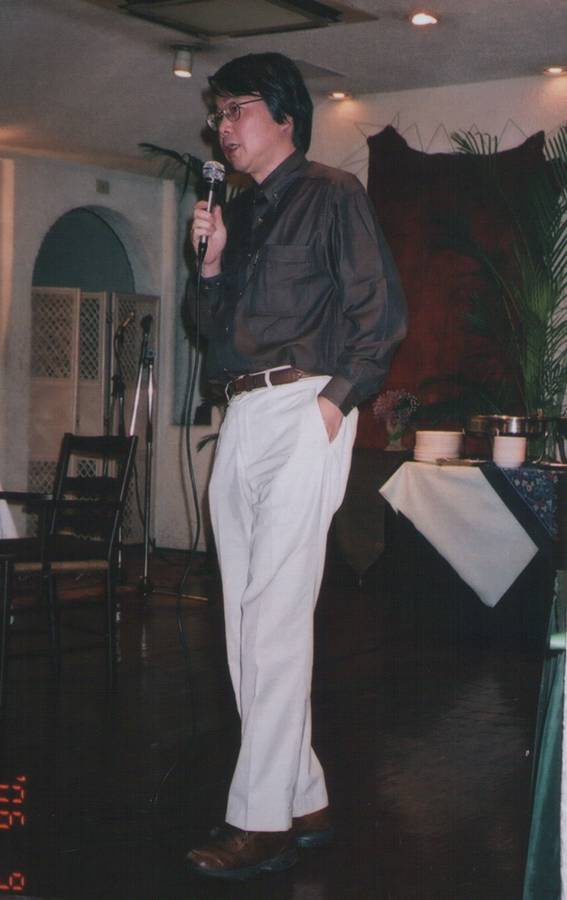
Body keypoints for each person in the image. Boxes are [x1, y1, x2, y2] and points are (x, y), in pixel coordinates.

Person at [186, 52, 406, 881]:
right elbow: (208, 327)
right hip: (242, 413)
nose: (222, 127)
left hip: (305, 405)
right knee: (245, 620)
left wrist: (333, 405)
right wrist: (210, 261)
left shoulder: (332, 194)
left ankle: (261, 820)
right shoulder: (237, 213)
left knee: (273, 615)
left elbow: (379, 313)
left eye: (236, 109)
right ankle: (304, 794)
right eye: (217, 114)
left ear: (283, 115)